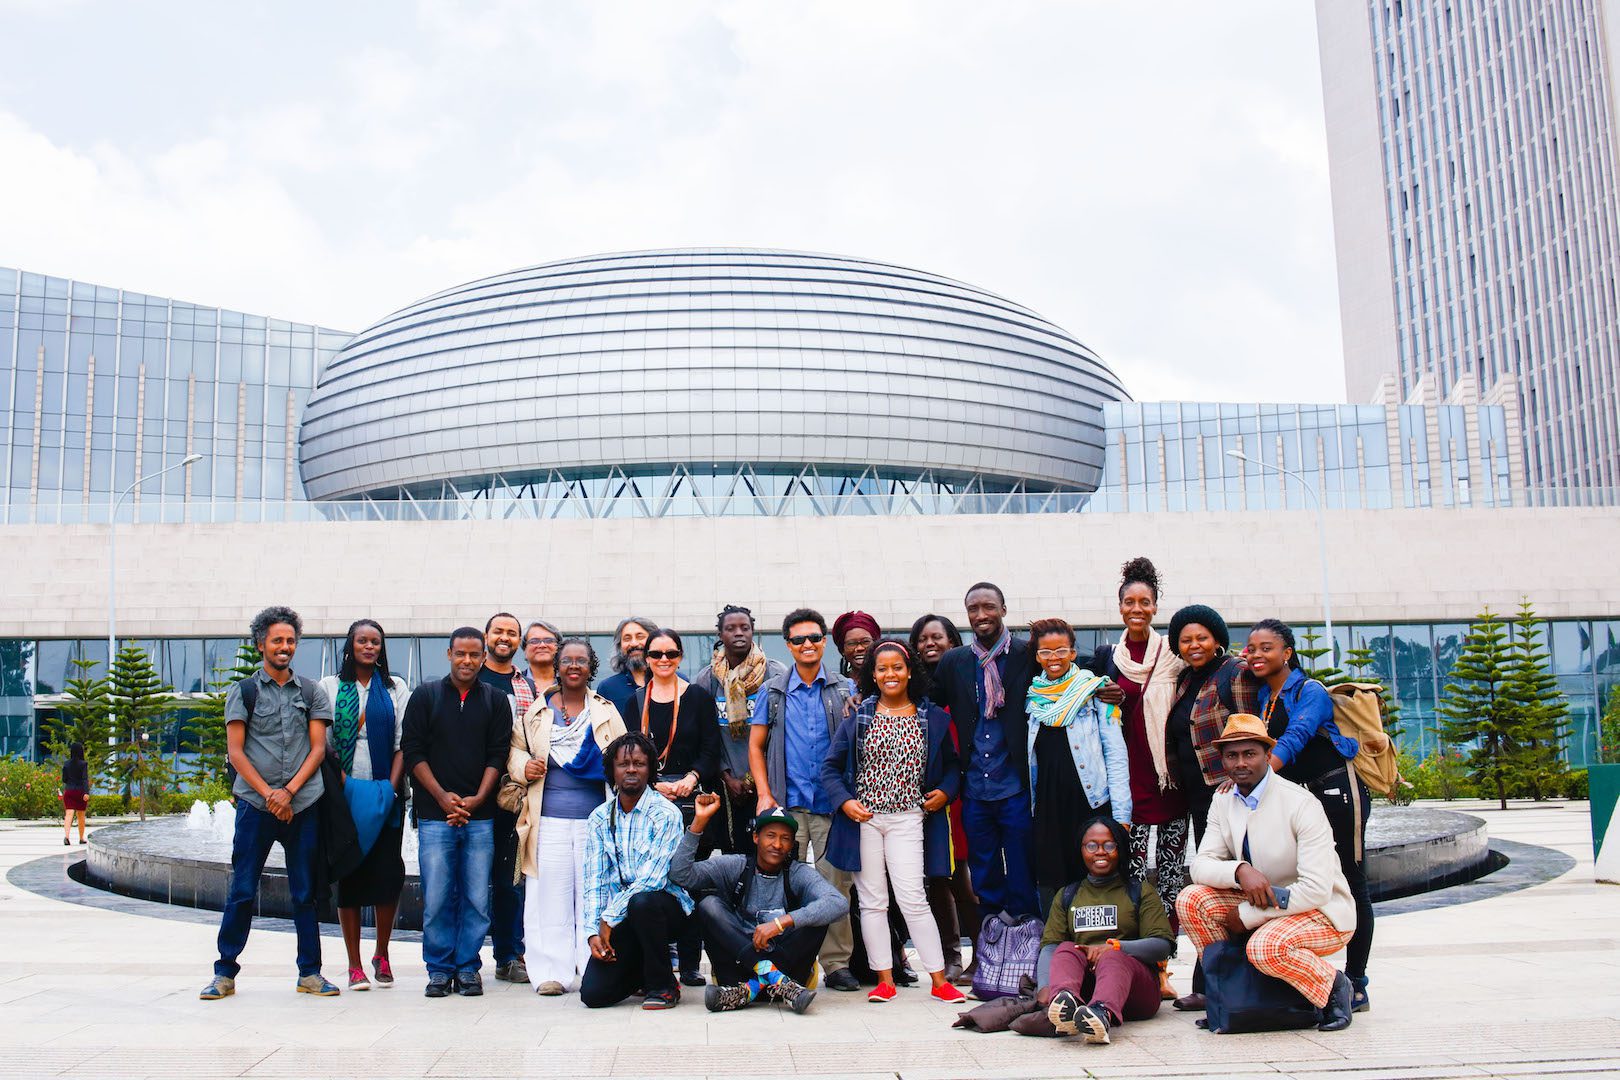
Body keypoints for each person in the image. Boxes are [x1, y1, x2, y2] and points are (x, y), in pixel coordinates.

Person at [1175, 714, 1357, 1032]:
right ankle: (1228, 996)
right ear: (1222, 761)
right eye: (1232, 755)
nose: (1241, 762)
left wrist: (1249, 914)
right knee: (1192, 900)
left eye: (1250, 753)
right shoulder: (1223, 801)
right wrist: (1239, 870)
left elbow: (1315, 889)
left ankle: (1333, 987)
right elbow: (1201, 865)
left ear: (1266, 755)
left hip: (1321, 912)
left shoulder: (1301, 804)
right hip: (1267, 905)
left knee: (1265, 947)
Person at [201, 606, 337, 1000]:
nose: (285, 647)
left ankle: (310, 973)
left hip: (302, 804)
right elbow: (236, 753)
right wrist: (269, 795)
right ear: (261, 643)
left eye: (291, 640)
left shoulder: (310, 692)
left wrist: (289, 792)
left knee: (304, 892)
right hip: (255, 807)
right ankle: (224, 973)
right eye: (277, 640)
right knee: (242, 889)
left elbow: (317, 750)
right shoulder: (243, 691)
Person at [820, 638, 966, 1004]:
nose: (890, 674)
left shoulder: (931, 716)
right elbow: (830, 769)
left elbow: (951, 766)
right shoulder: (860, 716)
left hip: (909, 819)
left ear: (909, 671)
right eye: (882, 668)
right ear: (873, 674)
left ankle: (939, 980)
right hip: (866, 819)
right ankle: (884, 979)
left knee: (914, 898)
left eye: (897, 667)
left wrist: (946, 792)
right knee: (872, 902)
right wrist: (845, 802)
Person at [1247, 618, 1374, 1012]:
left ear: (1287, 653)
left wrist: (1253, 777)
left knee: (1351, 878)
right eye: (1251, 648)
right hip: (1303, 798)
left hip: (1339, 790)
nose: (1256, 654)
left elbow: (1295, 736)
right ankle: (1308, 974)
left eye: (1266, 647)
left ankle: (1356, 982)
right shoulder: (1262, 696)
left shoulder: (1311, 690)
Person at [748, 608, 859, 991]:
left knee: (833, 887)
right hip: (786, 807)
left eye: (814, 638)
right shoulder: (772, 691)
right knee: (781, 887)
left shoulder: (846, 689)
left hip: (832, 806)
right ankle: (787, 962)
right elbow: (756, 745)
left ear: (825, 641)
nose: (807, 645)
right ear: (788, 645)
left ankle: (837, 964)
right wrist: (764, 794)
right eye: (799, 640)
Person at [509, 639, 626, 995]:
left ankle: (593, 968)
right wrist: (522, 766)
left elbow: (624, 757)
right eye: (567, 661)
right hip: (548, 820)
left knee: (593, 895)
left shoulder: (606, 711)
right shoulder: (536, 713)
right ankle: (550, 973)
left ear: (591, 667)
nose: (574, 666)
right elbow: (514, 750)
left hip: (595, 821)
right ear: (557, 667)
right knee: (549, 895)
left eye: (581, 661)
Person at [402, 627, 513, 998]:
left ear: (483, 657)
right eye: (460, 654)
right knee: (436, 898)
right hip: (436, 816)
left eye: (473, 655)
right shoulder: (426, 696)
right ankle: (438, 969)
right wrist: (444, 797)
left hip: (480, 817)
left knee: (477, 899)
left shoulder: (496, 701)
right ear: (448, 654)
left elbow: (498, 753)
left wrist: (478, 798)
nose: (467, 661)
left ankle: (467, 968)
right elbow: (413, 751)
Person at [1163, 603, 1257, 1011]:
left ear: (1217, 638)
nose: (1194, 645)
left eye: (1202, 637)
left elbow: (1251, 730)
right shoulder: (1185, 678)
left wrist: (1236, 784)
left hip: (1229, 799)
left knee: (1231, 887)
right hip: (1200, 801)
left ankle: (1228, 981)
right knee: (1210, 886)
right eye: (1186, 639)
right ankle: (1211, 980)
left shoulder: (1233, 673)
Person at [615, 626, 721, 986]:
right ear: (646, 658)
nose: (663, 661)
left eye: (671, 654)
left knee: (689, 880)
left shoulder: (699, 698)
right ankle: (654, 961)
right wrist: (651, 785)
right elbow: (628, 750)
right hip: (650, 795)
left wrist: (690, 779)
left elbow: (711, 749)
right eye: (656, 654)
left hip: (691, 797)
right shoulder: (635, 701)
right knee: (651, 880)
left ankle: (691, 962)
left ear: (680, 657)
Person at [671, 797, 845, 1013]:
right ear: (755, 837)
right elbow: (680, 874)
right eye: (770, 836)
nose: (778, 844)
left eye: (785, 839)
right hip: (740, 969)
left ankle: (748, 992)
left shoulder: (798, 873)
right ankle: (773, 979)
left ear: (792, 844)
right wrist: (698, 823)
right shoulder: (736, 866)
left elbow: (838, 903)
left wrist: (781, 923)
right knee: (709, 905)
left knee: (818, 915)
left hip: (787, 968)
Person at [1091, 557, 1190, 933]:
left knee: (1169, 878)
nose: (1137, 609)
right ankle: (1134, 951)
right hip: (1127, 787)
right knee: (1131, 877)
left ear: (1155, 607)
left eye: (1144, 602)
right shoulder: (1106, 659)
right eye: (1129, 603)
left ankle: (1164, 957)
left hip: (1170, 782)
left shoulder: (1174, 656)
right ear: (1119, 608)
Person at [931, 582, 1040, 920]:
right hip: (975, 788)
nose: (981, 615)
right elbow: (926, 703)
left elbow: (1063, 681)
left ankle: (1026, 948)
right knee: (984, 875)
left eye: (988, 607)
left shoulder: (1027, 655)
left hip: (1016, 785)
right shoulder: (955, 661)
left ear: (1003, 610)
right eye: (973, 609)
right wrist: (865, 696)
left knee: (1023, 871)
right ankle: (992, 948)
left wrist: (1103, 688)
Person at [1014, 815, 1174, 1043]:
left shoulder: (1140, 891)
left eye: (1109, 845)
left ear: (1120, 849)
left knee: (1112, 957)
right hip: (1086, 988)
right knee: (1066, 948)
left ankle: (1102, 1013)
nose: (1100, 851)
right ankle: (1065, 1005)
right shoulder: (1068, 894)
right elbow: (1050, 947)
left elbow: (1161, 946)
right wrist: (1045, 986)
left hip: (1135, 991)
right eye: (1092, 845)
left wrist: (1115, 946)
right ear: (1081, 850)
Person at [318, 619, 412, 991]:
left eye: (375, 641)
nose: (369, 647)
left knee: (387, 876)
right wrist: (342, 781)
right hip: (342, 796)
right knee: (351, 877)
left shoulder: (395, 688)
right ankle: (354, 964)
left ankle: (382, 954)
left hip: (386, 792)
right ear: (350, 645)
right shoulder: (329, 686)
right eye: (362, 641)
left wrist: (390, 788)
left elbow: (403, 741)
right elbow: (322, 740)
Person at [1025, 618, 1132, 916]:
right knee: (1050, 882)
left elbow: (1116, 755)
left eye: (1061, 651)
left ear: (1073, 653)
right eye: (1045, 652)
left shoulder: (1095, 692)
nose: (1053, 658)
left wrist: (1122, 817)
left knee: (1093, 877)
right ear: (1037, 656)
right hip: (1047, 806)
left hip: (1091, 802)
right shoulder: (1033, 701)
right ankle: (1058, 949)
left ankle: (1098, 950)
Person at [580, 733, 692, 1010]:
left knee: (642, 902)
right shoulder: (599, 818)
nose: (631, 769)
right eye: (623, 764)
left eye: (639, 763)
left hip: (666, 909)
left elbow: (652, 880)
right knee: (593, 995)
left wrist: (609, 918)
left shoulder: (666, 814)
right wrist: (594, 931)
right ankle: (643, 971)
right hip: (622, 918)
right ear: (612, 771)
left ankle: (664, 986)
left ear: (650, 769)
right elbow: (593, 882)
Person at [910, 613, 977, 983]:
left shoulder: (965, 680)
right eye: (922, 639)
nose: (929, 644)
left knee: (962, 878)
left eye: (937, 637)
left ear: (952, 642)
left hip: (962, 794)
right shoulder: (914, 688)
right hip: (924, 797)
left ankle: (982, 954)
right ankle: (950, 956)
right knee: (936, 878)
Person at [692, 605, 786, 856]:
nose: (738, 633)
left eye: (745, 627)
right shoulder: (707, 679)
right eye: (730, 628)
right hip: (727, 783)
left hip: (769, 780)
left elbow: (781, 731)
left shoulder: (775, 673)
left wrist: (756, 779)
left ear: (753, 631)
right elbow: (706, 735)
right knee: (734, 853)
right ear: (720, 635)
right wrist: (728, 778)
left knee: (770, 851)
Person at [479, 612, 534, 986]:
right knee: (466, 879)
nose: (504, 638)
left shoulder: (524, 685)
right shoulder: (469, 675)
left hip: (512, 796)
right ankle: (458, 959)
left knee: (510, 878)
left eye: (512, 633)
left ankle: (509, 955)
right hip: (470, 793)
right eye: (498, 631)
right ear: (486, 636)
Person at [596, 616, 659, 712]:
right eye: (627, 638)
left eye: (640, 637)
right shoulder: (607, 688)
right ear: (620, 646)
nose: (633, 643)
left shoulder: (676, 681)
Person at [831, 610, 880, 681]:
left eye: (866, 641)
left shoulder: (886, 683)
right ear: (842, 650)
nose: (860, 648)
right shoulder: (834, 687)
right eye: (851, 643)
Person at [61, 741, 89, 846]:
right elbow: (85, 779)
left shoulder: (66, 764)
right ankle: (81, 838)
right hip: (80, 792)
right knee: (81, 815)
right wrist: (86, 792)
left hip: (69, 791)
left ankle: (67, 836)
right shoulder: (83, 764)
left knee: (69, 814)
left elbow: (64, 779)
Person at [524, 620, 563, 695]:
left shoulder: (570, 683)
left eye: (549, 640)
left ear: (559, 648)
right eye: (534, 641)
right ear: (525, 650)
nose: (542, 645)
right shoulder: (514, 682)